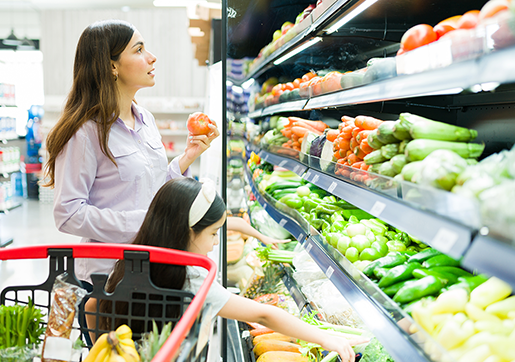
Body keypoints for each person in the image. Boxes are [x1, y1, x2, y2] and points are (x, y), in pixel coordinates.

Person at [42, 19, 218, 343]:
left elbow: (151, 187)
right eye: (139, 49)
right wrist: (140, 224)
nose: (152, 57)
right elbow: (67, 213)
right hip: (106, 281)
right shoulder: (85, 131)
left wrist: (187, 158)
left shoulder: (145, 119)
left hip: (151, 269)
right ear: (112, 66)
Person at [86, 178, 368, 362]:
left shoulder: (133, 259)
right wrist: (328, 338)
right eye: (212, 234)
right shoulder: (191, 278)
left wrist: (101, 348)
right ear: (186, 231)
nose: (215, 243)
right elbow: (262, 313)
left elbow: (92, 305)